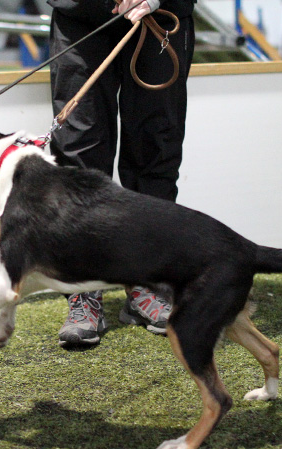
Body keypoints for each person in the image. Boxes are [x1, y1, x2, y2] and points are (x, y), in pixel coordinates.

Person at [48, 0, 197, 347]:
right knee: (78, 154)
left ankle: (149, 283)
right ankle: (83, 289)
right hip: (82, 16)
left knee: (155, 148)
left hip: (161, 15)